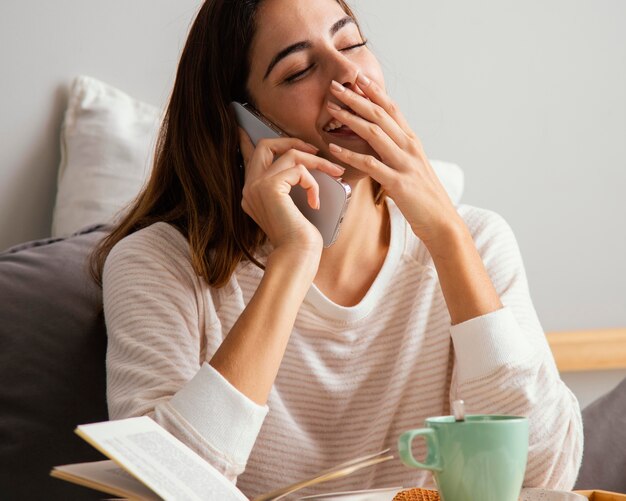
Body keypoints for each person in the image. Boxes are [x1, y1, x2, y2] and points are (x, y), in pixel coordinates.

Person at [92, 0, 583, 497]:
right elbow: (161, 489)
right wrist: (293, 259)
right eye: (299, 69)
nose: (348, 72)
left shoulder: (474, 242)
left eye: (351, 43)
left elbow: (545, 478)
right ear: (242, 124)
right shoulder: (157, 263)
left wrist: (448, 240)